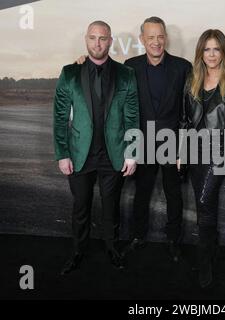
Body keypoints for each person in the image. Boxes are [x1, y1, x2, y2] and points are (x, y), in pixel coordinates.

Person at [53, 21, 139, 275]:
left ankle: (112, 250)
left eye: (103, 38)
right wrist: (63, 153)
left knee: (111, 206)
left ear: (110, 41)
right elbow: (59, 118)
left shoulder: (126, 75)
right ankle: (79, 251)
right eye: (93, 38)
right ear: (86, 40)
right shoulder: (69, 73)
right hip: (79, 154)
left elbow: (132, 116)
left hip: (113, 153)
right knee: (81, 206)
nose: (98, 43)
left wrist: (132, 153)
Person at [123, 17, 192, 262]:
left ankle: (174, 240)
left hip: (172, 142)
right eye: (150, 37)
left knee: (174, 194)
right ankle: (137, 236)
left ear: (166, 38)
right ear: (142, 39)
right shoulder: (129, 66)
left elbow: (189, 110)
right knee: (141, 192)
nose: (156, 41)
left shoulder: (183, 67)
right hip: (140, 141)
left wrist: (183, 149)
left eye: (160, 36)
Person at [179, 29, 225, 288]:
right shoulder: (191, 79)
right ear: (200, 52)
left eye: (216, 49)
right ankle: (211, 250)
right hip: (194, 153)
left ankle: (204, 265)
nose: (212, 54)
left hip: (220, 152)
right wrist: (180, 152)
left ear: (224, 51)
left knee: (204, 205)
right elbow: (184, 119)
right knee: (204, 205)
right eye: (207, 49)